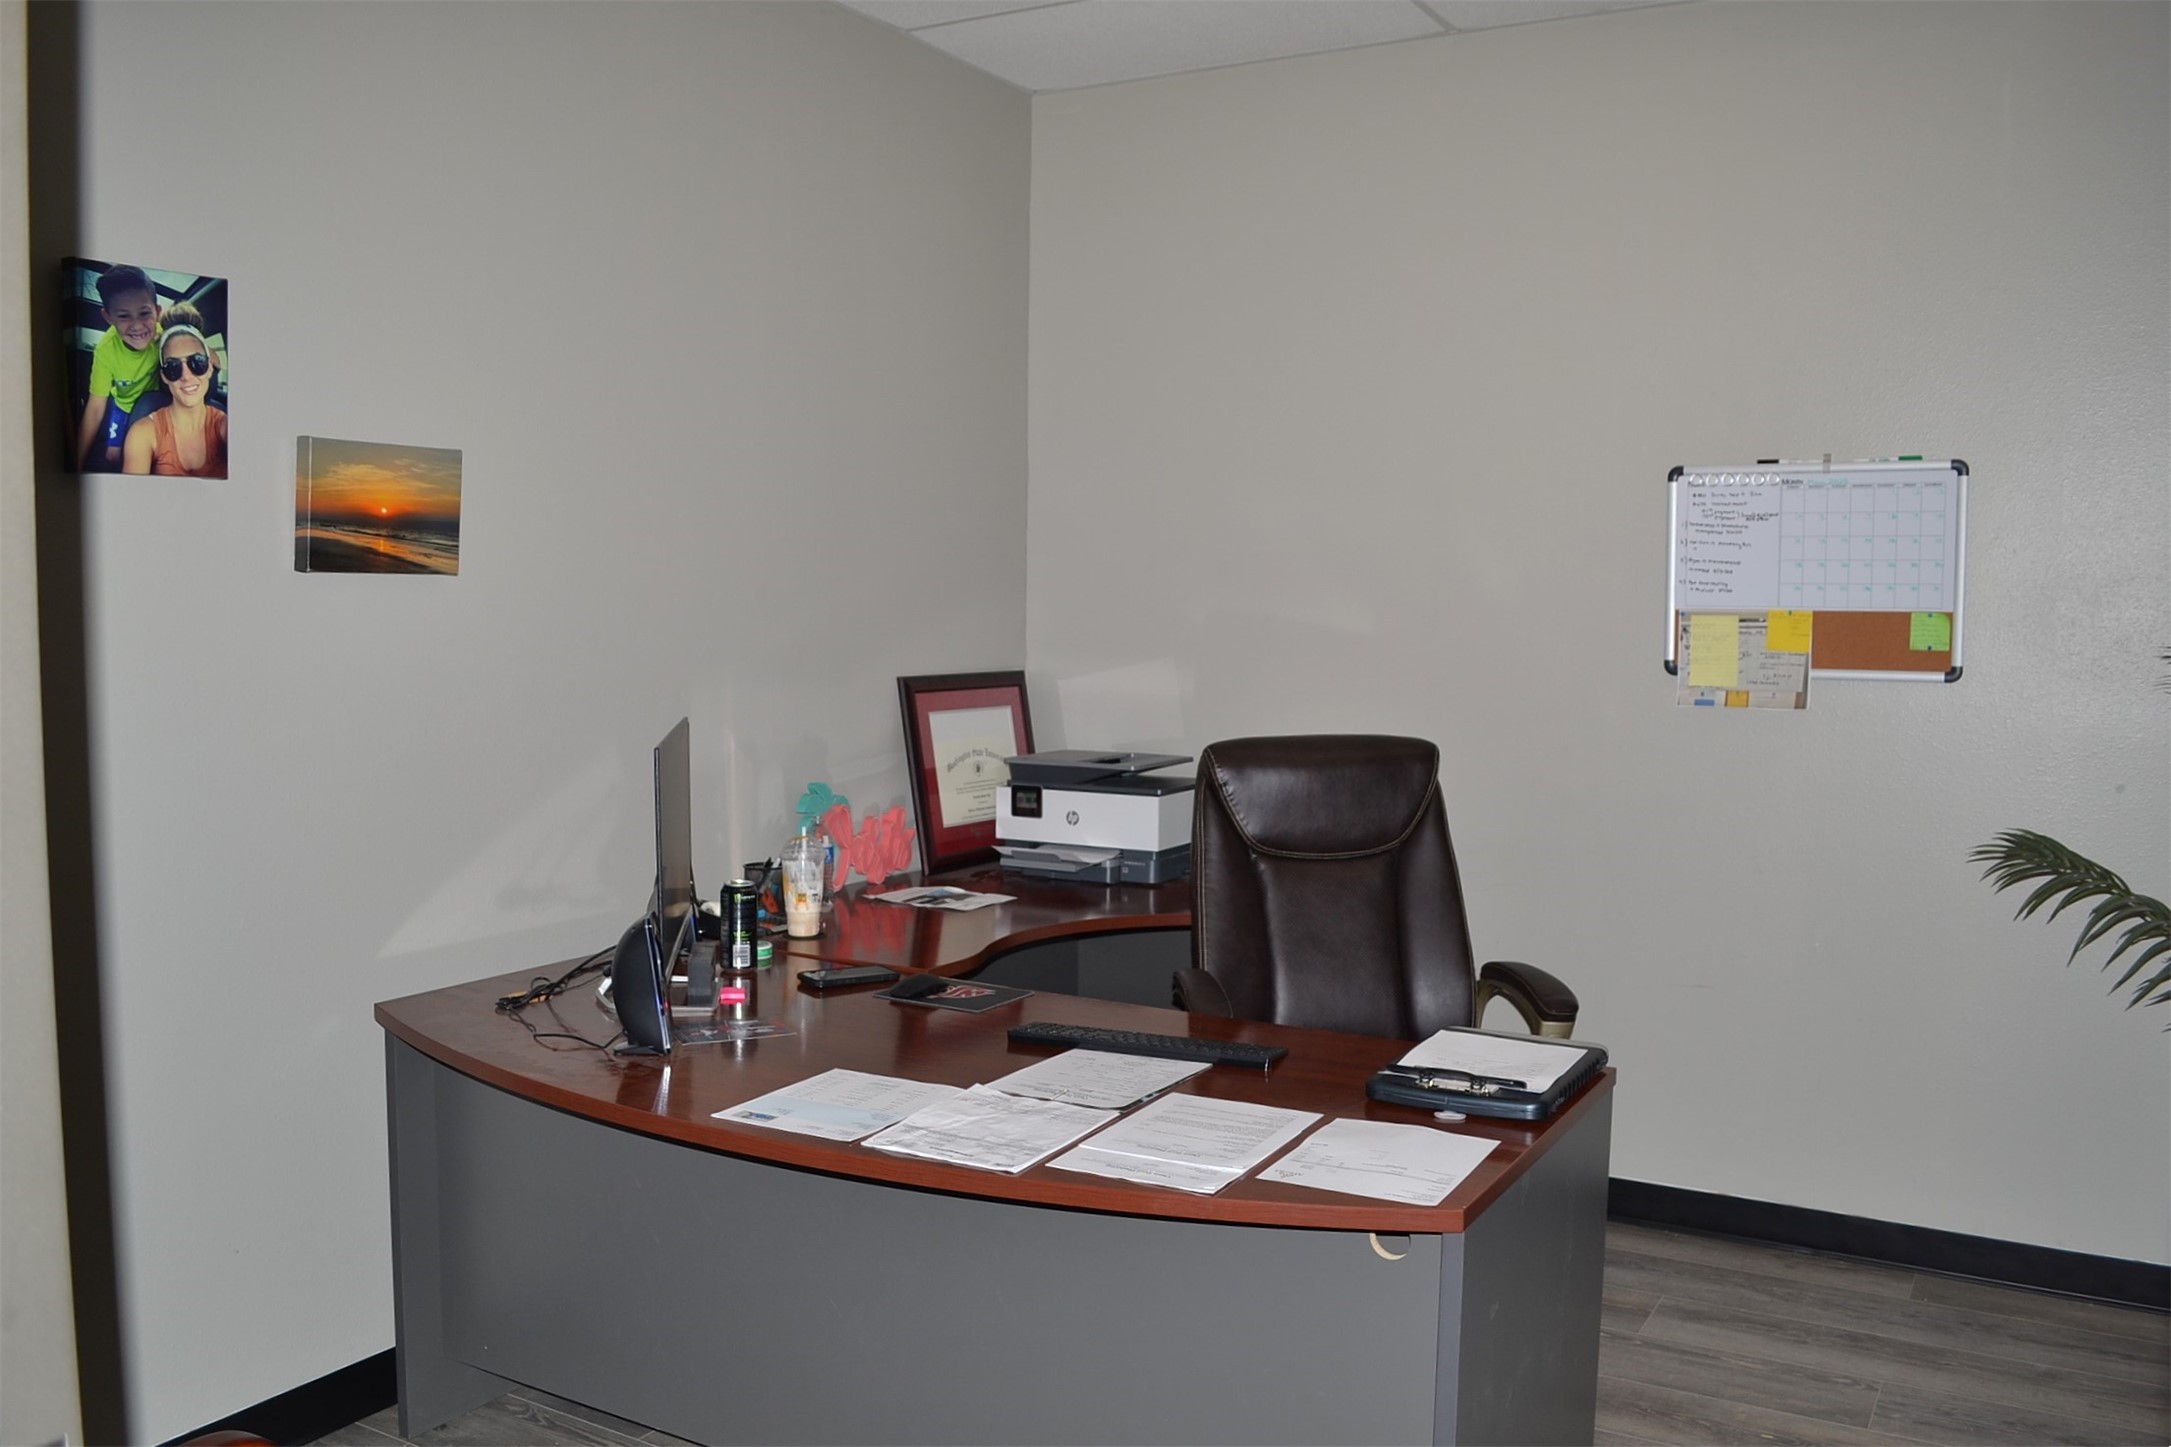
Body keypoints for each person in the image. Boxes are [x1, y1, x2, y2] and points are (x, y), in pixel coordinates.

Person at [72, 263, 163, 472]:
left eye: (144, 313)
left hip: (155, 404)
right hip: (123, 406)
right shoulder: (105, 351)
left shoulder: (164, 335)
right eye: (123, 316)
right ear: (108, 317)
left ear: (157, 312)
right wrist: (77, 464)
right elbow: (95, 409)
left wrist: (207, 352)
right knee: (113, 457)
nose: (137, 325)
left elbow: (188, 344)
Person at [122, 317, 228, 478]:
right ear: (164, 376)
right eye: (173, 367)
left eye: (197, 363)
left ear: (209, 369)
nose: (186, 376)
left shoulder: (225, 425)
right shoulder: (142, 433)